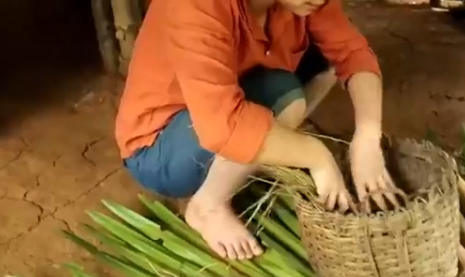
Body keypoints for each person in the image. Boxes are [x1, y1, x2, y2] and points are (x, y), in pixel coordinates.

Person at [115, 0, 398, 261]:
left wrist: (367, 139)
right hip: (159, 147)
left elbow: (351, 53)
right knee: (282, 93)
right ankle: (207, 206)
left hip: (224, 109)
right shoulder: (197, 5)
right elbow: (222, 126)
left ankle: (261, 148)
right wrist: (316, 156)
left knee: (323, 60)